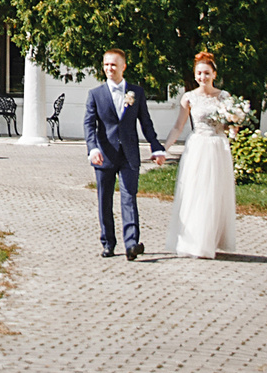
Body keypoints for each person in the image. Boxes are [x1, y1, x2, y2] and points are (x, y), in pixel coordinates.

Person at [81, 47, 165, 259]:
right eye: (106, 64)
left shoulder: (136, 92)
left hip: (129, 154)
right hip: (105, 155)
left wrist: (156, 147)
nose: (109, 68)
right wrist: (93, 148)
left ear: (123, 66)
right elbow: (89, 125)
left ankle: (131, 244)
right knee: (105, 200)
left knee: (129, 197)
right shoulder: (95, 94)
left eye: (114, 64)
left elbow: (146, 123)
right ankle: (108, 243)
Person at [161, 50, 241, 258]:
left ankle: (211, 239)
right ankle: (194, 241)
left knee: (214, 194)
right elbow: (178, 126)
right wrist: (164, 148)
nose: (202, 77)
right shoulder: (189, 98)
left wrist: (234, 125)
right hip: (198, 147)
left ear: (214, 74)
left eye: (206, 73)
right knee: (195, 193)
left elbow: (230, 125)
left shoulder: (224, 97)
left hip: (218, 147)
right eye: (199, 73)